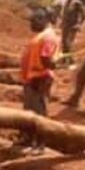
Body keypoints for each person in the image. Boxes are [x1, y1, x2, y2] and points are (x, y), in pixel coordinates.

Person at [20, 9, 59, 154]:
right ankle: (28, 139)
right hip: (32, 78)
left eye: (33, 21)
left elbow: (46, 60)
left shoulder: (48, 37)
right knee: (30, 111)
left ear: (43, 20)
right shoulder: (42, 35)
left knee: (39, 113)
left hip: (39, 79)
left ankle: (41, 144)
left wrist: (53, 65)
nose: (31, 24)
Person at [60, 0, 85, 66]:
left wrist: (79, 23)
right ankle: (65, 59)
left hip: (73, 25)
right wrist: (62, 22)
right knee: (64, 42)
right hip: (66, 25)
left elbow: (83, 14)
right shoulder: (66, 2)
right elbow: (64, 13)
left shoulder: (77, 3)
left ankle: (70, 60)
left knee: (68, 42)